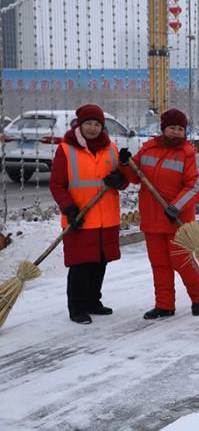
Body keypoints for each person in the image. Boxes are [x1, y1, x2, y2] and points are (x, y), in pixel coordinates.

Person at [119, 109, 199, 320]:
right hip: (152, 218)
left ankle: (198, 297)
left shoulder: (189, 154)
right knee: (159, 264)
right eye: (172, 128)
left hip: (177, 220)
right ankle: (164, 305)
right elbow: (135, 176)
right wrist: (125, 165)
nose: (176, 132)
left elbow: (195, 186)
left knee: (182, 261)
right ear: (163, 128)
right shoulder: (148, 149)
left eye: (180, 129)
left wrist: (177, 206)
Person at [49, 104, 127, 324]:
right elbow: (56, 184)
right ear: (79, 125)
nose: (92, 128)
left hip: (106, 217)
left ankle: (93, 301)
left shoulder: (110, 148)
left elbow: (122, 179)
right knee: (80, 265)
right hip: (80, 218)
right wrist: (69, 208)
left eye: (97, 124)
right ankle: (77, 307)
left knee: (100, 262)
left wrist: (120, 179)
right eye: (88, 123)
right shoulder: (66, 149)